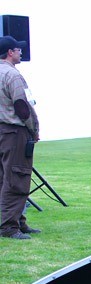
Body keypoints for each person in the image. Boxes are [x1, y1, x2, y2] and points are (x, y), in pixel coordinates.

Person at [0, 35, 40, 240]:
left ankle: (18, 222)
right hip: (14, 133)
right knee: (18, 178)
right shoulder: (12, 75)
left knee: (4, 178)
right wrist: (33, 129)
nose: (21, 52)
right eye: (18, 49)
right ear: (10, 52)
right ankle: (9, 227)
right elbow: (21, 106)